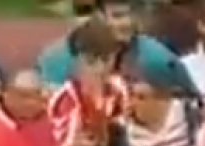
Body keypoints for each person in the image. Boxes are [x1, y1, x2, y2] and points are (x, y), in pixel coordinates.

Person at [36, 0, 193, 93]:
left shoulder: (158, 60)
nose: (128, 23)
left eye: (132, 14)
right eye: (118, 16)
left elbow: (190, 100)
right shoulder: (54, 60)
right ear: (96, 16)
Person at [47, 19, 130, 146]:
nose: (101, 69)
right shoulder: (66, 102)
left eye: (108, 59)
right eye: (91, 62)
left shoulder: (118, 89)